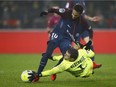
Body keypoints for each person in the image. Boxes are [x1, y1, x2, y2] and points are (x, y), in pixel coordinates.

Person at [65, 0, 102, 68]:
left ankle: (92, 63)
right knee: (75, 47)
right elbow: (66, 12)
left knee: (89, 43)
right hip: (75, 28)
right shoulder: (71, 1)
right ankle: (66, 64)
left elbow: (82, 15)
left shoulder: (82, 1)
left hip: (83, 27)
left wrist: (91, 19)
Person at [31, 44, 96, 82]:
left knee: (63, 60)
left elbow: (51, 71)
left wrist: (39, 74)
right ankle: (53, 58)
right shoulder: (81, 52)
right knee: (88, 58)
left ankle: (53, 58)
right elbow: (92, 54)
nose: (65, 55)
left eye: (67, 55)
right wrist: (85, 47)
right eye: (66, 53)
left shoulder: (64, 65)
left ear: (72, 59)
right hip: (90, 68)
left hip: (83, 75)